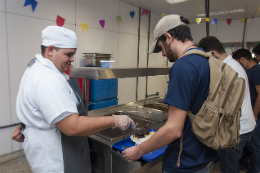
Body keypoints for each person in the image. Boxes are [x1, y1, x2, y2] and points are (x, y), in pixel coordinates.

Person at [12, 25, 135, 173]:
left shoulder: (37, 66)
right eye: (68, 54)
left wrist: (27, 123)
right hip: (56, 157)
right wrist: (115, 120)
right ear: (50, 50)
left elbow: (36, 105)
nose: (72, 59)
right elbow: (72, 126)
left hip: (45, 145)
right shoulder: (48, 79)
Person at [122, 14, 219, 173]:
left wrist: (139, 150)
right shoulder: (206, 59)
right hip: (205, 157)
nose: (163, 54)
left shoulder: (183, 66)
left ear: (168, 37)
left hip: (184, 163)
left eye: (161, 47)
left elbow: (174, 129)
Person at [198, 36, 256, 173]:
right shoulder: (234, 65)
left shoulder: (227, 69)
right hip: (245, 125)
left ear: (212, 53)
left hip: (236, 129)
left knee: (228, 167)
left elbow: (223, 103)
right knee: (232, 164)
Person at [232, 48, 260, 173]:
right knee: (249, 146)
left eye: (237, 62)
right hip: (251, 114)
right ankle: (245, 164)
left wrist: (254, 115)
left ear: (242, 59)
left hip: (255, 115)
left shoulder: (256, 71)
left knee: (255, 146)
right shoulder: (248, 71)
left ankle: (255, 170)